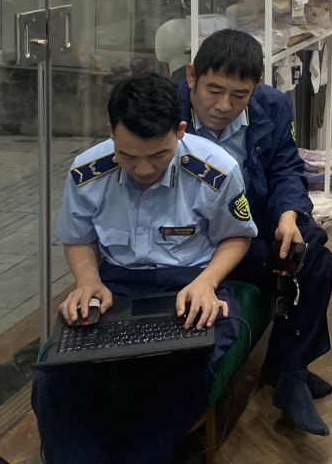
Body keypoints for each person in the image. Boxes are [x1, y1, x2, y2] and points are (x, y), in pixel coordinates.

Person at [32, 74, 257, 464]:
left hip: (191, 286)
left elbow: (237, 237)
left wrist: (207, 282)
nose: (142, 169)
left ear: (180, 131)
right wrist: (87, 280)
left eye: (157, 156)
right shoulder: (87, 172)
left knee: (183, 374)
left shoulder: (215, 170)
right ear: (111, 132)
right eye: (128, 156)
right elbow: (78, 238)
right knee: (55, 379)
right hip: (115, 286)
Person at [180, 28, 332, 436]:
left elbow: (286, 168)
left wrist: (288, 215)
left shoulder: (272, 106)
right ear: (192, 76)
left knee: (312, 253)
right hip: (197, 235)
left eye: (239, 95)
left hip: (253, 218)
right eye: (214, 91)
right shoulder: (168, 110)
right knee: (297, 264)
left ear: (257, 87)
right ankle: (289, 371)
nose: (223, 106)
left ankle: (289, 372)